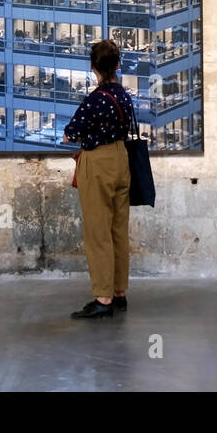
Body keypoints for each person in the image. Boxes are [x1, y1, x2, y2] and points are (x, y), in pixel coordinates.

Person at [62, 39, 134, 320]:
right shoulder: (125, 96)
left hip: (99, 162)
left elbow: (70, 132)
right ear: (117, 66)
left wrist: (84, 135)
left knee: (98, 231)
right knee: (118, 230)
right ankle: (119, 293)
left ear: (93, 68)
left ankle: (103, 299)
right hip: (121, 159)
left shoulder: (95, 99)